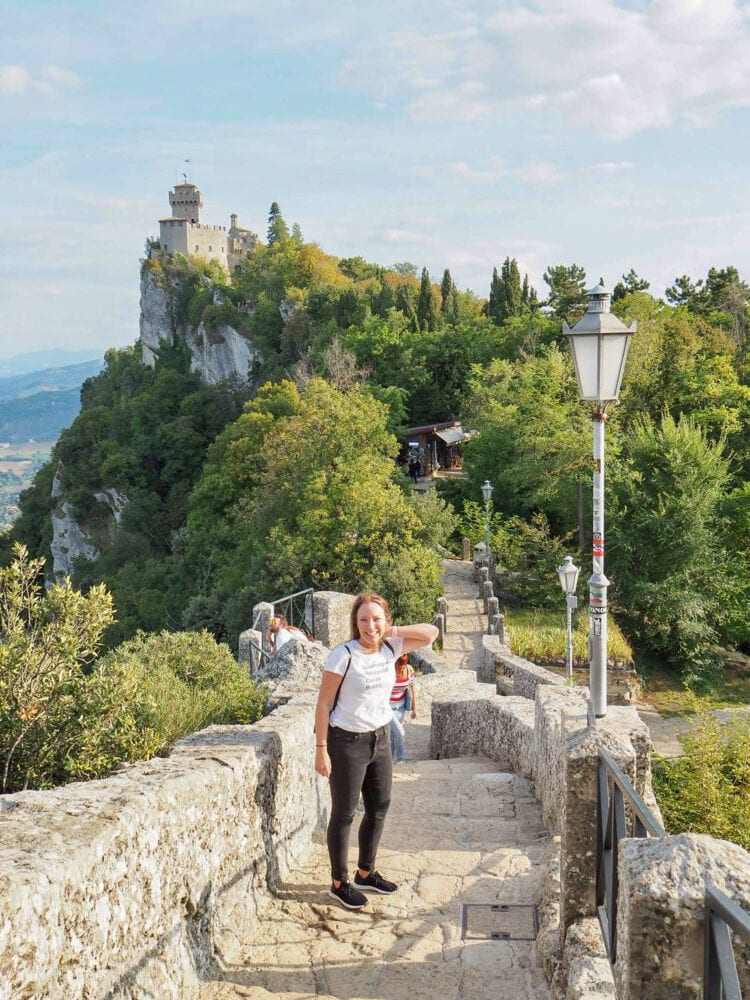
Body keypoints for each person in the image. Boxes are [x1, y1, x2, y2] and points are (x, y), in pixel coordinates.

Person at [314, 591, 438, 910]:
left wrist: (389, 632)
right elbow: (324, 703)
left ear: (387, 621)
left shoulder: (391, 647)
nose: (370, 626)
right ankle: (339, 882)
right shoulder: (343, 655)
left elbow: (431, 633)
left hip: (380, 737)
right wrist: (321, 748)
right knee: (344, 812)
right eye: (364, 620)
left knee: (379, 806)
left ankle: (365, 872)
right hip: (347, 741)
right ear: (354, 623)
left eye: (376, 619)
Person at [389, 654, 417, 763]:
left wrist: (415, 709)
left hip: (401, 707)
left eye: (403, 666)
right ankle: (401, 759)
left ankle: (391, 759)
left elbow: (412, 689)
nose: (401, 669)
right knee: (400, 732)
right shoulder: (388, 671)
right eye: (399, 666)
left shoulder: (409, 670)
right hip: (388, 707)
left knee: (394, 733)